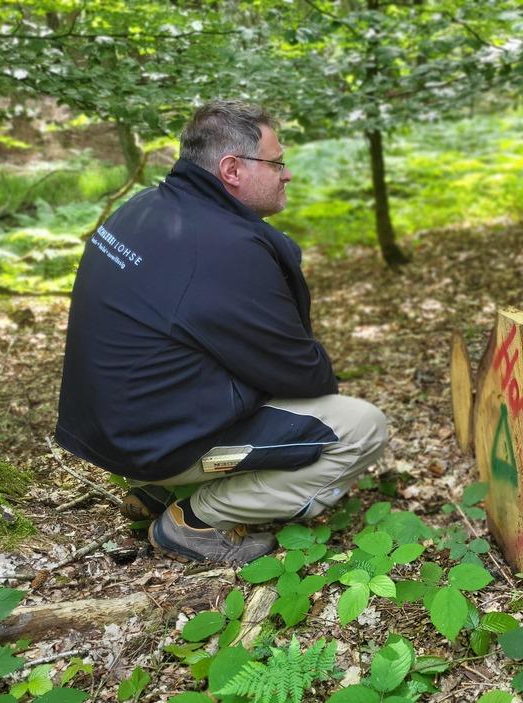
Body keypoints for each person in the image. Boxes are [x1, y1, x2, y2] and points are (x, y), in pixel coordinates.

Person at [55, 100, 389, 565]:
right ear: (232, 169)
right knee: (362, 427)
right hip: (152, 440)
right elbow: (305, 375)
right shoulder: (227, 249)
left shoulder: (145, 209)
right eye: (277, 163)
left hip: (108, 429)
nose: (287, 175)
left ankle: (155, 488)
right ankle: (194, 519)